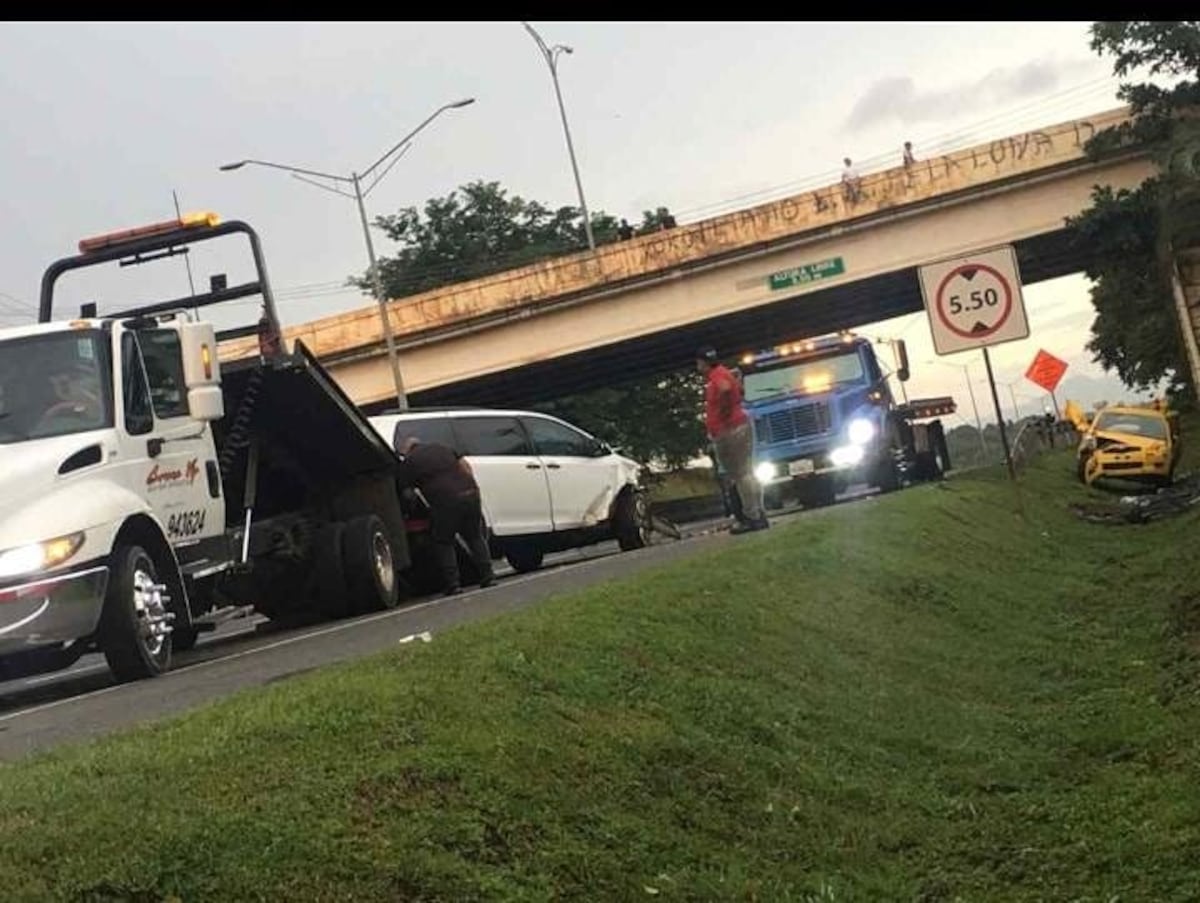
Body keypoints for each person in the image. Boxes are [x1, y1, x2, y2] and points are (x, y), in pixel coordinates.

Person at [395, 435, 495, 596]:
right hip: (470, 493)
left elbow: (408, 494)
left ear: (406, 451)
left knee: (443, 541)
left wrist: (412, 509)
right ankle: (488, 576)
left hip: (446, 501)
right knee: (475, 536)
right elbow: (465, 466)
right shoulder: (442, 447)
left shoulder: (409, 462)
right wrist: (474, 489)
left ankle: (453, 584)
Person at [696, 346, 767, 534]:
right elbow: (738, 390)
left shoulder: (716, 376)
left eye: (698, 362)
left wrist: (723, 415)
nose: (698, 366)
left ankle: (751, 517)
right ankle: (758, 512)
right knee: (747, 473)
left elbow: (726, 390)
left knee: (740, 475)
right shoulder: (724, 372)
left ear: (703, 362)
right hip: (737, 426)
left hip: (730, 430)